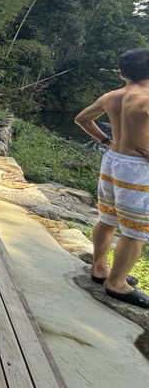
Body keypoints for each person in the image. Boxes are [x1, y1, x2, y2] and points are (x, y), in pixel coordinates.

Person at [75, 48, 149, 308]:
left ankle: (99, 268)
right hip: (138, 168)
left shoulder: (112, 96)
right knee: (136, 231)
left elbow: (82, 119)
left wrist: (107, 140)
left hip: (113, 160)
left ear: (122, 72)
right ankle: (117, 283)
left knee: (107, 218)